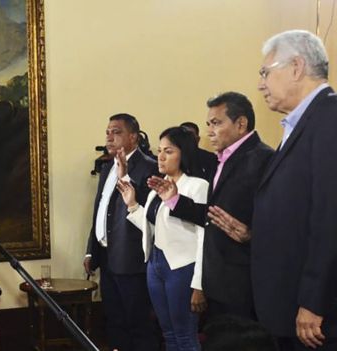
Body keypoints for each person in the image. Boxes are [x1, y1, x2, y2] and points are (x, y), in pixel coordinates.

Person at [208, 30, 337, 350]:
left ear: (296, 67)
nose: (260, 83)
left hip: (312, 314)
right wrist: (255, 235)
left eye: (266, 72)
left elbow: (329, 217)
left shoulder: (329, 118)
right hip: (287, 301)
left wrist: (313, 301)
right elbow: (297, 211)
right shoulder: (304, 123)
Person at [151, 93, 273, 321]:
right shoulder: (222, 160)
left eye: (216, 123)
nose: (209, 131)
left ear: (241, 124)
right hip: (218, 278)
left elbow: (279, 221)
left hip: (243, 282)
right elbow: (213, 217)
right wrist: (175, 199)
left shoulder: (263, 159)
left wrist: (252, 235)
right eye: (208, 124)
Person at [118, 126, 209, 351]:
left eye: (168, 151)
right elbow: (154, 229)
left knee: (185, 334)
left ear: (184, 153)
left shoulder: (197, 185)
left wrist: (199, 284)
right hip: (156, 263)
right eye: (159, 150)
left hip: (182, 266)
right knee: (167, 333)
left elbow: (204, 235)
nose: (160, 156)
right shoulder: (156, 187)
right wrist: (132, 205)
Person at [84, 113, 160, 351]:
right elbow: (100, 211)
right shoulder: (107, 168)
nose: (109, 136)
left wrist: (125, 175)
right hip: (107, 258)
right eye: (108, 132)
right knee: (114, 321)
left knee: (137, 323)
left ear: (133, 137)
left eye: (116, 132)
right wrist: (90, 251)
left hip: (132, 259)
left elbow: (147, 214)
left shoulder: (149, 167)